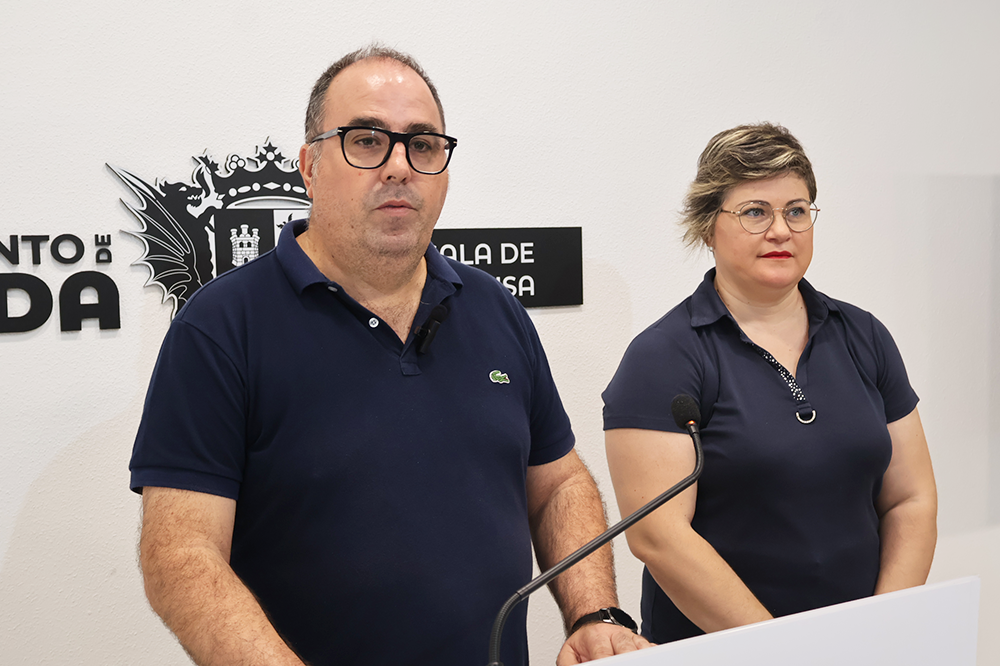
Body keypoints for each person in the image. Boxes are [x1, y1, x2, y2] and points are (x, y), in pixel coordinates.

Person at [130, 45, 649, 666]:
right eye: (368, 141)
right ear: (310, 166)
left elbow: (558, 483)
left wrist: (594, 613)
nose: (400, 167)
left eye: (422, 145)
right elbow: (181, 555)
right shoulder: (221, 326)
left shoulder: (494, 308)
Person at [602, 123, 938, 644]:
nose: (781, 230)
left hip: (862, 646)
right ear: (708, 226)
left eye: (796, 211)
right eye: (756, 212)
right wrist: (783, 650)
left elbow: (911, 499)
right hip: (726, 649)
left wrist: (883, 632)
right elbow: (658, 537)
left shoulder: (865, 336)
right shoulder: (663, 356)